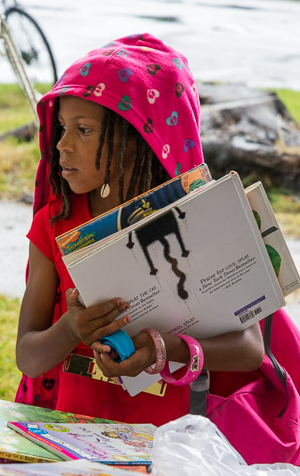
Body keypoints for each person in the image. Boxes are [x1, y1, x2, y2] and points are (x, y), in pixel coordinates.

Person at [15, 33, 267, 430]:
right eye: (61, 126)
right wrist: (70, 328)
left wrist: (164, 350)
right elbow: (28, 357)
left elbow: (250, 349)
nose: (61, 144)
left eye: (83, 130)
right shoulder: (55, 221)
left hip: (169, 446)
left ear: (138, 139)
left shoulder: (197, 217)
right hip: (69, 439)